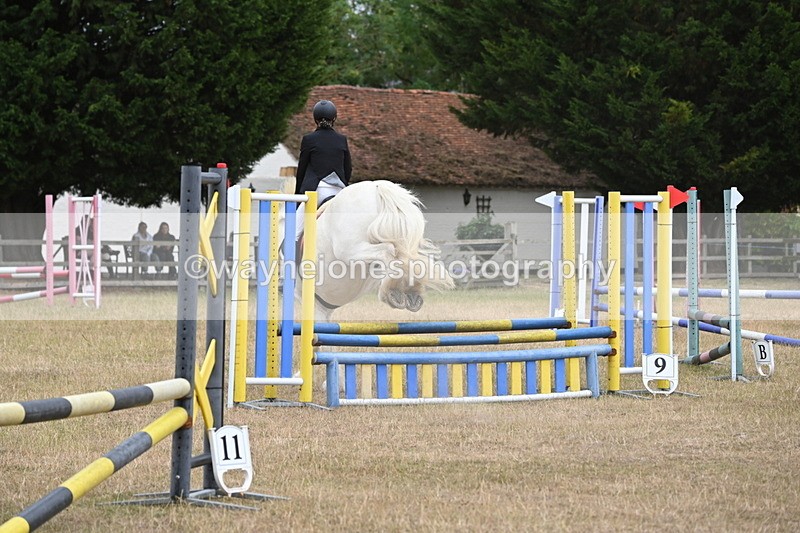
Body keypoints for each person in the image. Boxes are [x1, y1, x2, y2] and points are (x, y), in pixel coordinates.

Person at [294, 99, 352, 238]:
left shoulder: (309, 139)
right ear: (334, 118)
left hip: (317, 190)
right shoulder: (341, 139)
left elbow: (301, 171)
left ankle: (292, 257)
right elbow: (348, 169)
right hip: (339, 191)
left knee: (294, 230)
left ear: (315, 119)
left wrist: (298, 197)